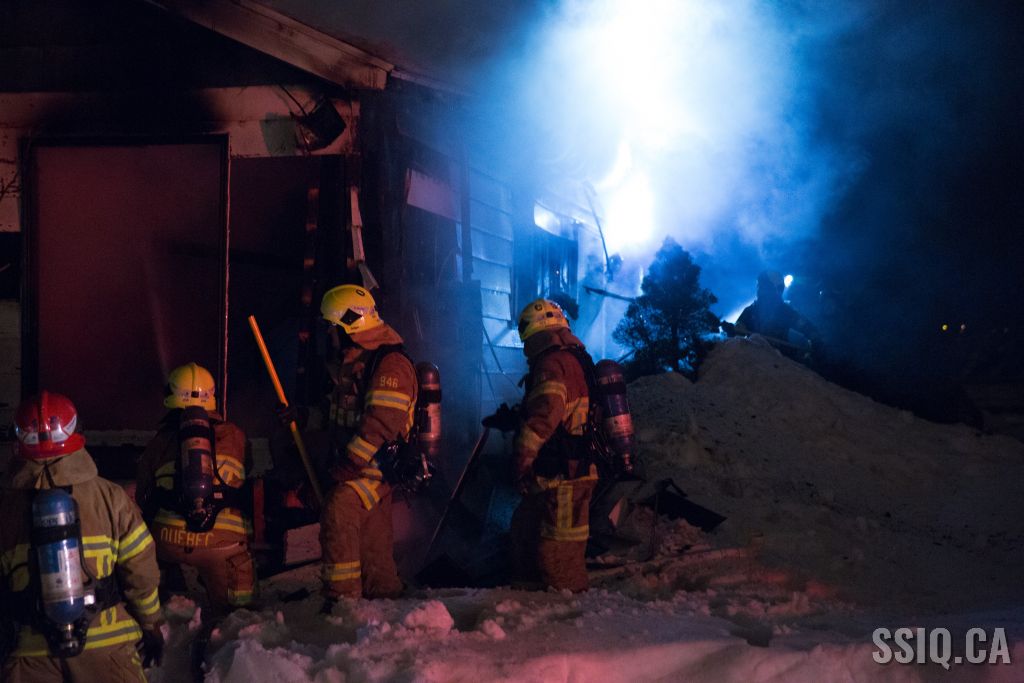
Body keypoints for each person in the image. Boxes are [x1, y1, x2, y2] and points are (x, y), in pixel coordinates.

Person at [1, 392, 164, 682]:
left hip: (30, 652)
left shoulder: (6, 507)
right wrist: (151, 624)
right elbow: (141, 571)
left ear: (19, 443)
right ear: (76, 434)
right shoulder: (110, 497)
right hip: (106, 645)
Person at [315, 284, 415, 607]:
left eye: (331, 326)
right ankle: (384, 597)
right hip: (363, 467)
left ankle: (342, 600)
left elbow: (381, 424)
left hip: (375, 467)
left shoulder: (389, 365)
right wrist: (301, 416)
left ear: (348, 325)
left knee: (339, 506)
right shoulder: (356, 362)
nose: (328, 334)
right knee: (373, 543)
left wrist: (349, 463)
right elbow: (337, 414)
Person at [135, 362, 256, 612]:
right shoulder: (235, 435)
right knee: (238, 611)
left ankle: (169, 589)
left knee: (153, 544)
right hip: (222, 545)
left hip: (168, 542)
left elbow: (142, 494)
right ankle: (231, 614)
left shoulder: (160, 440)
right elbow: (247, 475)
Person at [509, 298, 599, 592]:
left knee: (557, 554)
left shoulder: (552, 364)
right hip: (559, 473)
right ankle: (525, 604)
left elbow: (544, 417)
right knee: (525, 535)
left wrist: (522, 458)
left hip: (564, 475)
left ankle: (568, 611)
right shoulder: (573, 358)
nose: (525, 345)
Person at [733, 270, 822, 358]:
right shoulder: (751, 310)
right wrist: (734, 329)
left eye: (765, 286)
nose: (760, 290)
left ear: (776, 289)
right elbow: (737, 331)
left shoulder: (785, 311)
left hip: (781, 360)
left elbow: (808, 329)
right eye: (759, 286)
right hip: (755, 359)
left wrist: (815, 342)